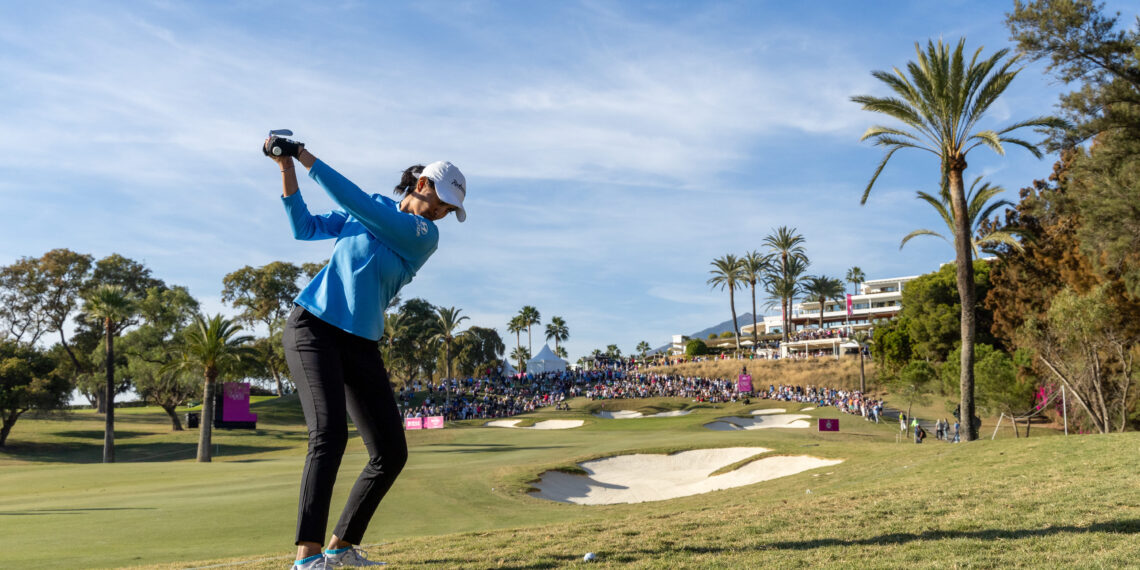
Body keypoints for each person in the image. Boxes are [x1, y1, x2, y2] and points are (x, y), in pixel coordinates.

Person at [266, 134, 467, 570]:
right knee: (329, 436)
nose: (442, 213)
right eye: (442, 201)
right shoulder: (374, 208)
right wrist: (285, 164)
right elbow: (304, 228)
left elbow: (361, 206)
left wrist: (304, 155)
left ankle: (340, 546)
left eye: (449, 209)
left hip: (360, 342)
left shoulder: (423, 236)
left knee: (391, 452)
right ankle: (307, 557)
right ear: (422, 185)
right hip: (313, 327)